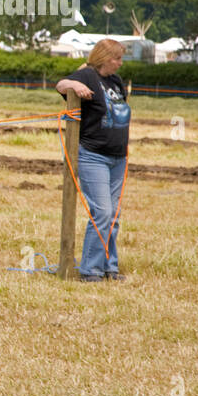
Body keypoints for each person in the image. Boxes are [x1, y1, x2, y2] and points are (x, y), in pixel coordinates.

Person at [56, 39, 130, 282]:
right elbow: (61, 84)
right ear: (103, 57)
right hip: (93, 155)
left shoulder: (116, 82)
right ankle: (91, 270)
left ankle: (110, 267)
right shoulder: (87, 75)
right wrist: (75, 85)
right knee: (102, 212)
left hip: (118, 157)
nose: (120, 63)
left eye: (121, 58)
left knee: (114, 217)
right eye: (116, 58)